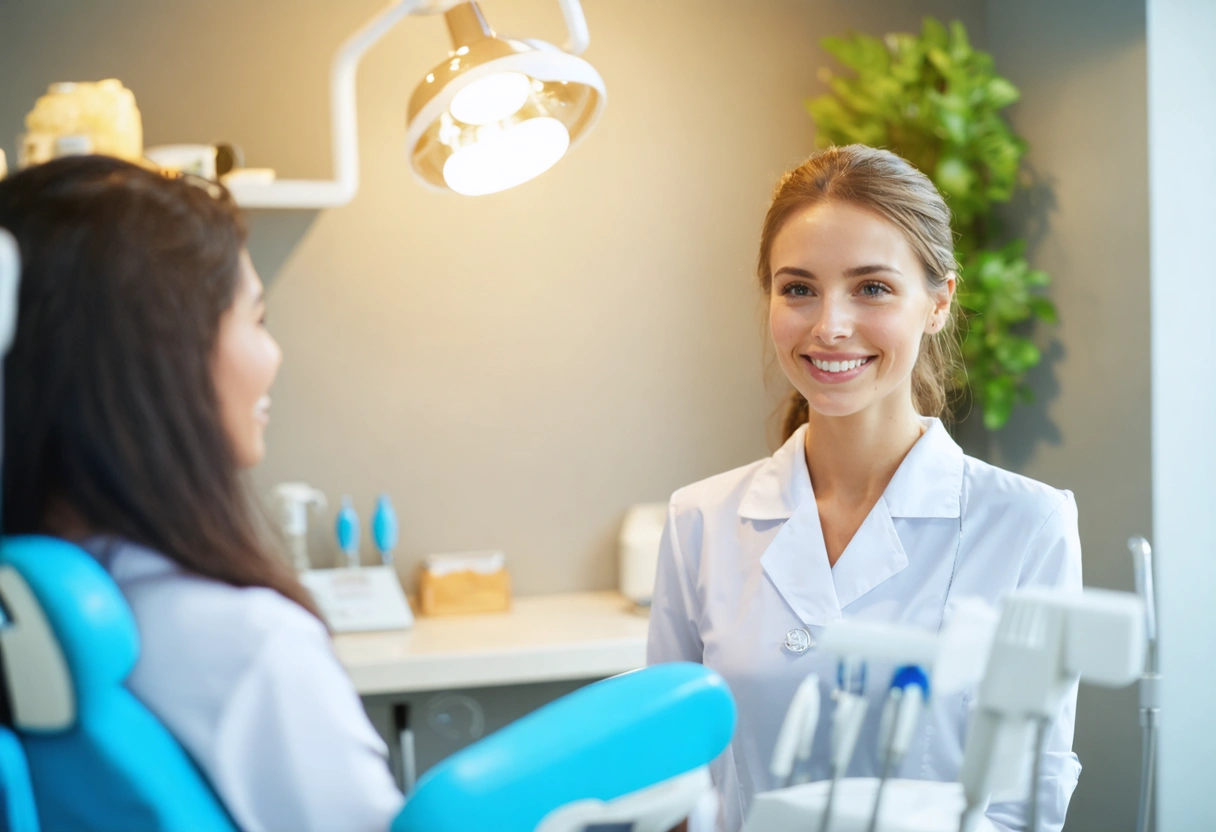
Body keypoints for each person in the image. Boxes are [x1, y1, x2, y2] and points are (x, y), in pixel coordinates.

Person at [647, 145, 1081, 832]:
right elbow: (669, 782)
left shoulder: (1026, 523)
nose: (829, 326)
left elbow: (1025, 800)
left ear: (938, 302)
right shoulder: (700, 519)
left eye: (872, 287)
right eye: (798, 289)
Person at [0, 156, 404, 832]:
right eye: (257, 318)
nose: (272, 356)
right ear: (161, 356)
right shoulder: (247, 648)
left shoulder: (25, 608)